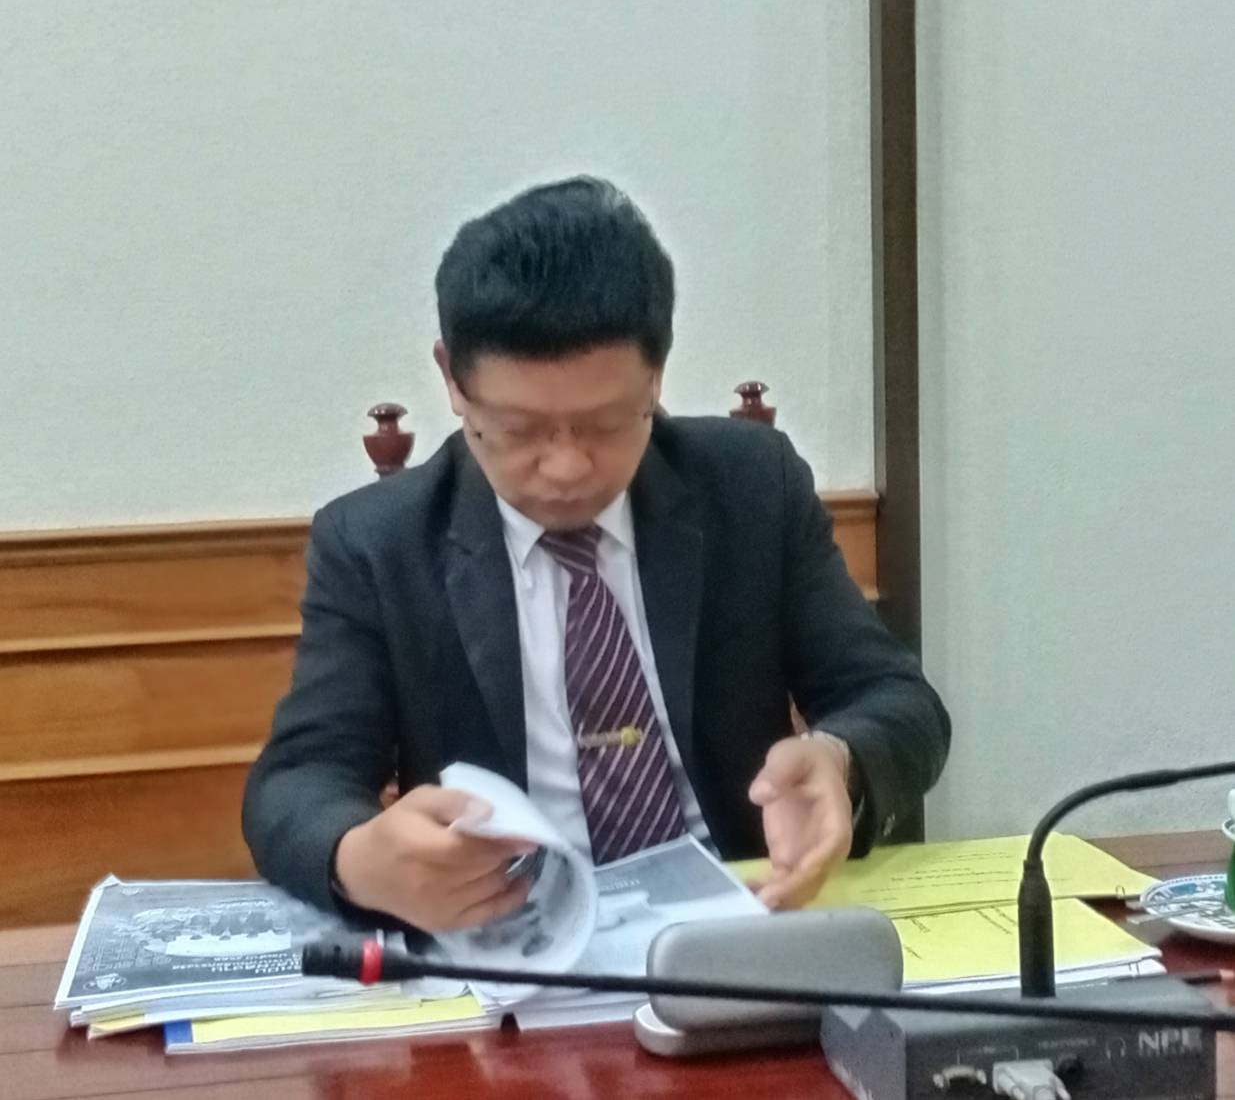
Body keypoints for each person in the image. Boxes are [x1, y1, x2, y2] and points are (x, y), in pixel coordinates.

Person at [242, 176, 950, 935]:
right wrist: (357, 856)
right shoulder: (378, 540)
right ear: (452, 379)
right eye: (517, 430)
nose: (566, 467)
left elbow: (896, 700)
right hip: (510, 934)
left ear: (656, 374)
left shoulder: (750, 488)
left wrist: (840, 758)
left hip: (739, 922)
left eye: (608, 423)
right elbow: (299, 779)